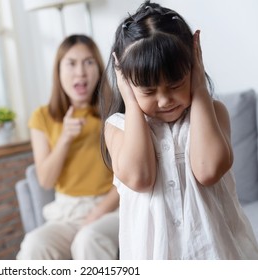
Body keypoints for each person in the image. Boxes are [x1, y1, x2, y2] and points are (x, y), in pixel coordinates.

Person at [99, 1, 258, 259]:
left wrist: (199, 89)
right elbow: (140, 178)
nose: (164, 100)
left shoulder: (213, 113)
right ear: (126, 81)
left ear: (193, 68)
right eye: (149, 91)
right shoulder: (117, 128)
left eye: (176, 84)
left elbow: (208, 170)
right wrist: (131, 100)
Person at [16, 34, 119, 260]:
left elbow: (127, 176)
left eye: (88, 62)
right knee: (35, 244)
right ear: (59, 71)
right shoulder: (42, 117)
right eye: (71, 63)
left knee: (88, 239)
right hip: (67, 212)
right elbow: (45, 180)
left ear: (99, 68)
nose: (80, 72)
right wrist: (64, 139)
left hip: (111, 208)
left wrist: (99, 212)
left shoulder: (115, 112)